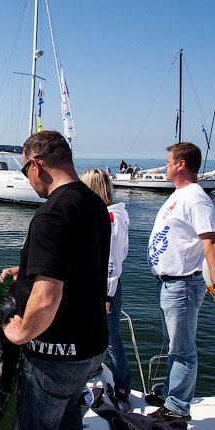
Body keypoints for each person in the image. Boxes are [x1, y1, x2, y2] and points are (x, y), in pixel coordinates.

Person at [0, 131, 110, 430]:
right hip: (90, 347)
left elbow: (47, 298)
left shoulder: (51, 214)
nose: (27, 178)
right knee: (68, 417)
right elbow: (78, 265)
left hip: (53, 354)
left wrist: (19, 332)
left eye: (26, 169)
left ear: (38, 164)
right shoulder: (93, 204)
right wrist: (25, 270)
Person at [147, 142, 215, 422]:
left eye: (169, 161)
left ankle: (177, 408)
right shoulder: (180, 196)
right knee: (175, 347)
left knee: (182, 350)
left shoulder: (196, 198)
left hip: (182, 285)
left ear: (181, 164)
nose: (166, 165)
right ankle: (171, 396)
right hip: (169, 284)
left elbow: (211, 243)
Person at [80, 168, 131, 412]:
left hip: (104, 288)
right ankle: (96, 372)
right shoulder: (102, 215)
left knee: (112, 340)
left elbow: (112, 260)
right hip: (96, 286)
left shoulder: (111, 218)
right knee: (96, 335)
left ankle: (122, 389)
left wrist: (107, 294)